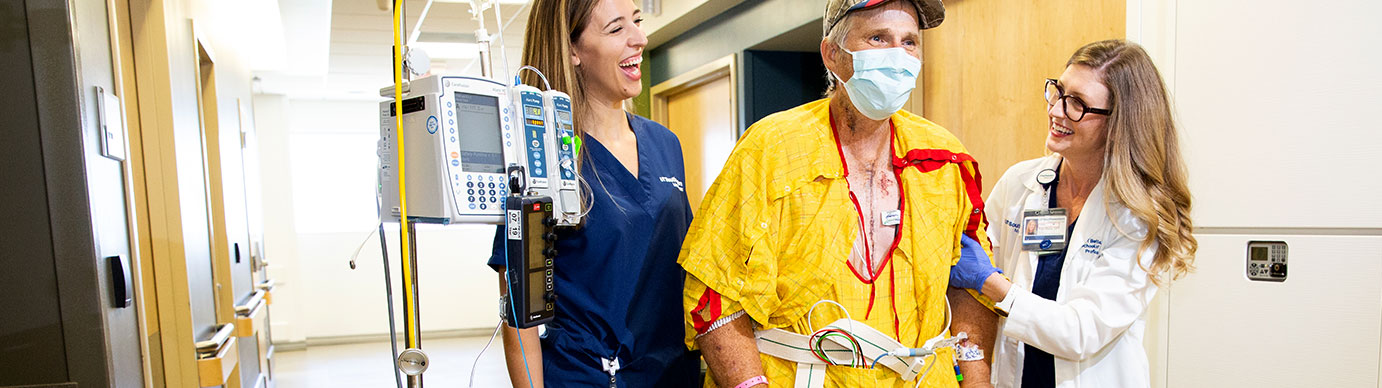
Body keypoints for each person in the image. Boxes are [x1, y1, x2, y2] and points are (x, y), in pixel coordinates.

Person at [679, 1, 999, 387]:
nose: (897, 56)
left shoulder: (944, 160)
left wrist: (976, 375)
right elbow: (715, 297)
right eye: (878, 38)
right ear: (833, 55)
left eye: (909, 42)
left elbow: (969, 283)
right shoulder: (772, 150)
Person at [947, 39, 1198, 388]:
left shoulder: (1139, 216)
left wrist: (989, 281)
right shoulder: (1020, 184)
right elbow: (974, 301)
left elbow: (1080, 332)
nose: (1057, 111)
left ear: (1120, 123)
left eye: (1077, 104)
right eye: (1058, 92)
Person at [486, 0, 700, 386]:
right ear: (572, 50)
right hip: (589, 377)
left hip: (674, 374)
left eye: (637, 22)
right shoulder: (545, 158)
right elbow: (521, 319)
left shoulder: (665, 143)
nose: (639, 38)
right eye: (617, 29)